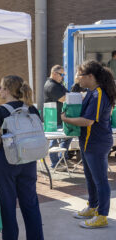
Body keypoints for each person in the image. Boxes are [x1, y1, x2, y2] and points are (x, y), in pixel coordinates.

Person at [0, 75, 44, 240]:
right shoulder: (31, 109)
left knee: (8, 205)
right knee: (31, 204)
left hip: (6, 163)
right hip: (28, 160)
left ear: (6, 90)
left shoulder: (0, 110)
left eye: (0, 87)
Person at [61, 60, 116, 228]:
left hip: (96, 143)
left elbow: (87, 121)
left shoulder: (98, 94)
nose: (78, 78)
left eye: (80, 75)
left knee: (100, 181)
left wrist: (65, 119)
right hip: (88, 143)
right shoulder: (91, 92)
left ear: (90, 76)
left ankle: (102, 215)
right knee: (90, 178)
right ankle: (93, 206)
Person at [44, 65, 72, 170]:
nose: (63, 77)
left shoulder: (58, 84)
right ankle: (55, 163)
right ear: (54, 73)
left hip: (60, 117)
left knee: (68, 136)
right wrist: (77, 96)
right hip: (53, 118)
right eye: (61, 75)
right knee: (54, 139)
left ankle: (62, 158)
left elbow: (68, 94)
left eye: (63, 75)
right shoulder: (51, 85)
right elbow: (63, 98)